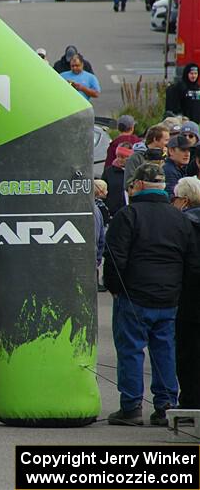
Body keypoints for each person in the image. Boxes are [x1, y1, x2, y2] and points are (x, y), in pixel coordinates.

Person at [104, 163, 199, 426]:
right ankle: (166, 404)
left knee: (131, 350)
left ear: (140, 185)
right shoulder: (180, 218)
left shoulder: (128, 215)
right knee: (164, 349)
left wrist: (114, 288)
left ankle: (132, 406)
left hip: (134, 295)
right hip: (169, 298)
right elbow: (192, 262)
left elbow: (114, 259)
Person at [173, 177, 200, 415]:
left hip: (187, 299)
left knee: (187, 353)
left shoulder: (181, 225)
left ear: (184, 200)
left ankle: (190, 401)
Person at [124, 124, 169, 190]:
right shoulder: (135, 157)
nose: (168, 143)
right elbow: (128, 184)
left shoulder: (165, 156)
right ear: (155, 139)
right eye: (166, 140)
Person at [103, 144, 132, 216]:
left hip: (130, 210)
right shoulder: (109, 172)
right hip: (113, 212)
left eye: (123, 157)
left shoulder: (134, 171)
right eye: (118, 156)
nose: (119, 159)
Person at [163, 134, 192, 199]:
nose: (187, 154)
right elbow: (173, 199)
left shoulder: (181, 168)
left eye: (189, 150)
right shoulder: (169, 171)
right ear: (171, 151)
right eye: (183, 150)